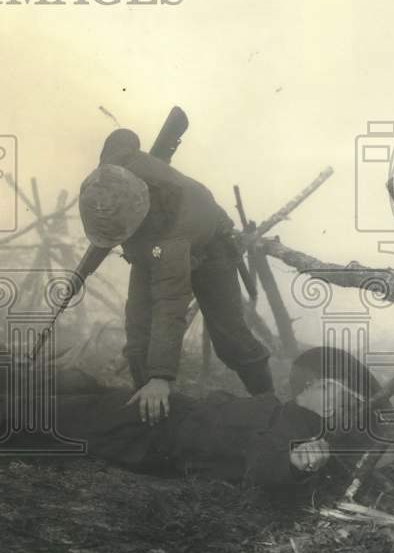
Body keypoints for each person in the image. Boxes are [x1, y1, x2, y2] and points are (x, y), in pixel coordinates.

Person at [0, 347, 376, 489]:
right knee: (44, 419)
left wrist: (300, 461)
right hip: (157, 419)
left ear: (333, 402)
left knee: (35, 415)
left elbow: (264, 472)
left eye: (329, 390)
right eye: (320, 384)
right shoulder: (288, 414)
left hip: (153, 436)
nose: (314, 389)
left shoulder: (299, 433)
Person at [76, 128, 274, 424]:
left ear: (136, 216)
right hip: (151, 239)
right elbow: (123, 136)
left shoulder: (171, 240)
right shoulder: (112, 172)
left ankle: (268, 402)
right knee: (137, 326)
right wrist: (81, 273)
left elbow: (169, 306)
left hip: (210, 244)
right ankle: (147, 408)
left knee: (230, 337)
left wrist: (161, 376)